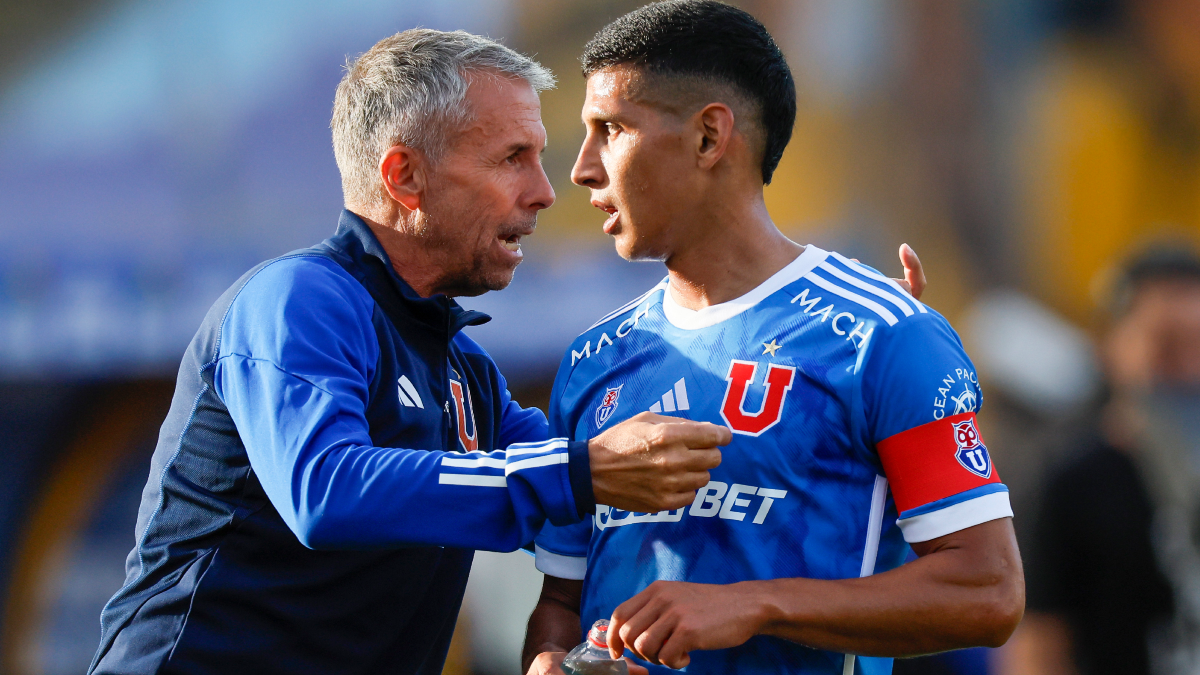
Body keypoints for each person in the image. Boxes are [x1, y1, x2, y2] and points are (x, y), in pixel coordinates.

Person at [87, 30, 735, 675]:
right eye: (512, 157)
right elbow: (328, 489)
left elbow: (593, 502)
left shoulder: (467, 372)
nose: (543, 190)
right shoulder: (297, 300)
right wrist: (577, 473)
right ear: (404, 176)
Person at [523, 3, 1023, 674]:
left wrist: (755, 603)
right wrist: (548, 659)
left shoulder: (881, 335)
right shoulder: (591, 361)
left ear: (708, 138)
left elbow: (988, 591)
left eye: (610, 129)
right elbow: (560, 599)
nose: (582, 168)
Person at [1003, 249, 1200, 675]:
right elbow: (1037, 646)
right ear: (1112, 346)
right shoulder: (1072, 482)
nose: (1189, 368)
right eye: (1166, 345)